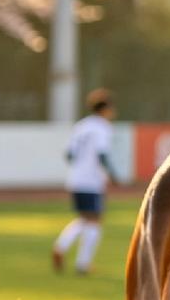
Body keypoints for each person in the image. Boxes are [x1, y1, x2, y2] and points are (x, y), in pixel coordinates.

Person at [51, 88, 120, 276]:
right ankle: (83, 263)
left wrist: (81, 165)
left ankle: (61, 246)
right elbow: (102, 154)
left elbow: (69, 155)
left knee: (84, 219)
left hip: (76, 179)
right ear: (105, 109)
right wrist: (113, 175)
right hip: (91, 181)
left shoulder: (81, 126)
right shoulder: (102, 128)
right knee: (94, 221)